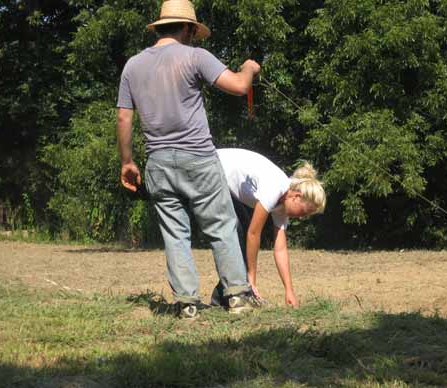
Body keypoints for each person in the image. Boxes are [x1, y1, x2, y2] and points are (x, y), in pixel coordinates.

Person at [116, 0, 261, 318]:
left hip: (158, 162)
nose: (195, 36)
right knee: (222, 226)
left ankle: (187, 305)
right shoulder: (195, 56)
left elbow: (124, 118)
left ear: (159, 27)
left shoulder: (133, 66)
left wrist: (127, 162)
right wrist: (249, 68)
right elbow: (238, 86)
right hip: (198, 157)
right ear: (187, 28)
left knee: (175, 234)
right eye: (194, 31)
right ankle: (237, 296)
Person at [211, 148, 327, 308]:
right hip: (211, 167)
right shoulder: (275, 187)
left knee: (242, 234)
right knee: (237, 231)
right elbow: (254, 233)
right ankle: (233, 295)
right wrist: (251, 279)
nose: (301, 217)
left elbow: (280, 249)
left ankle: (224, 298)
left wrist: (289, 290)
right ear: (296, 197)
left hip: (223, 181)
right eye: (304, 211)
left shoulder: (282, 205)